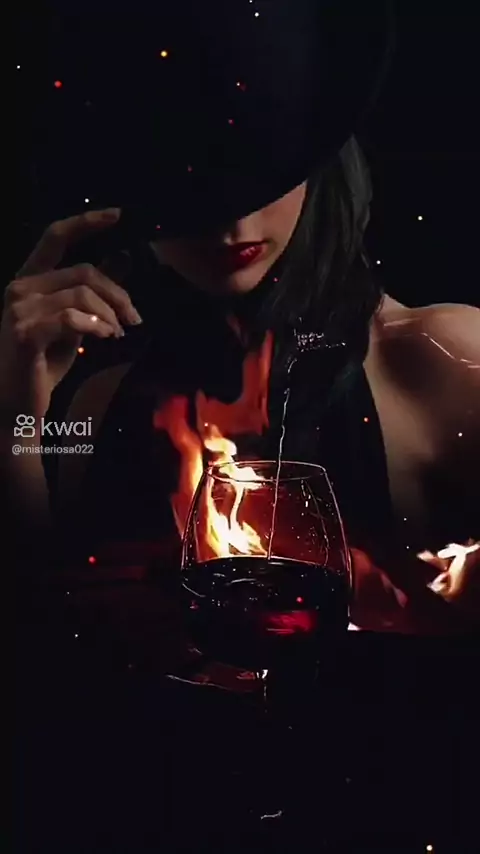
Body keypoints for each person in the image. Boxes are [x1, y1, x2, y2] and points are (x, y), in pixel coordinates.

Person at [4, 1, 479, 634]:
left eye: (264, 174)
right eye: (190, 186)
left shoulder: (439, 358)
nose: (234, 225)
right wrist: (16, 411)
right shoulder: (97, 400)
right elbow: (41, 618)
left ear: (319, 162)